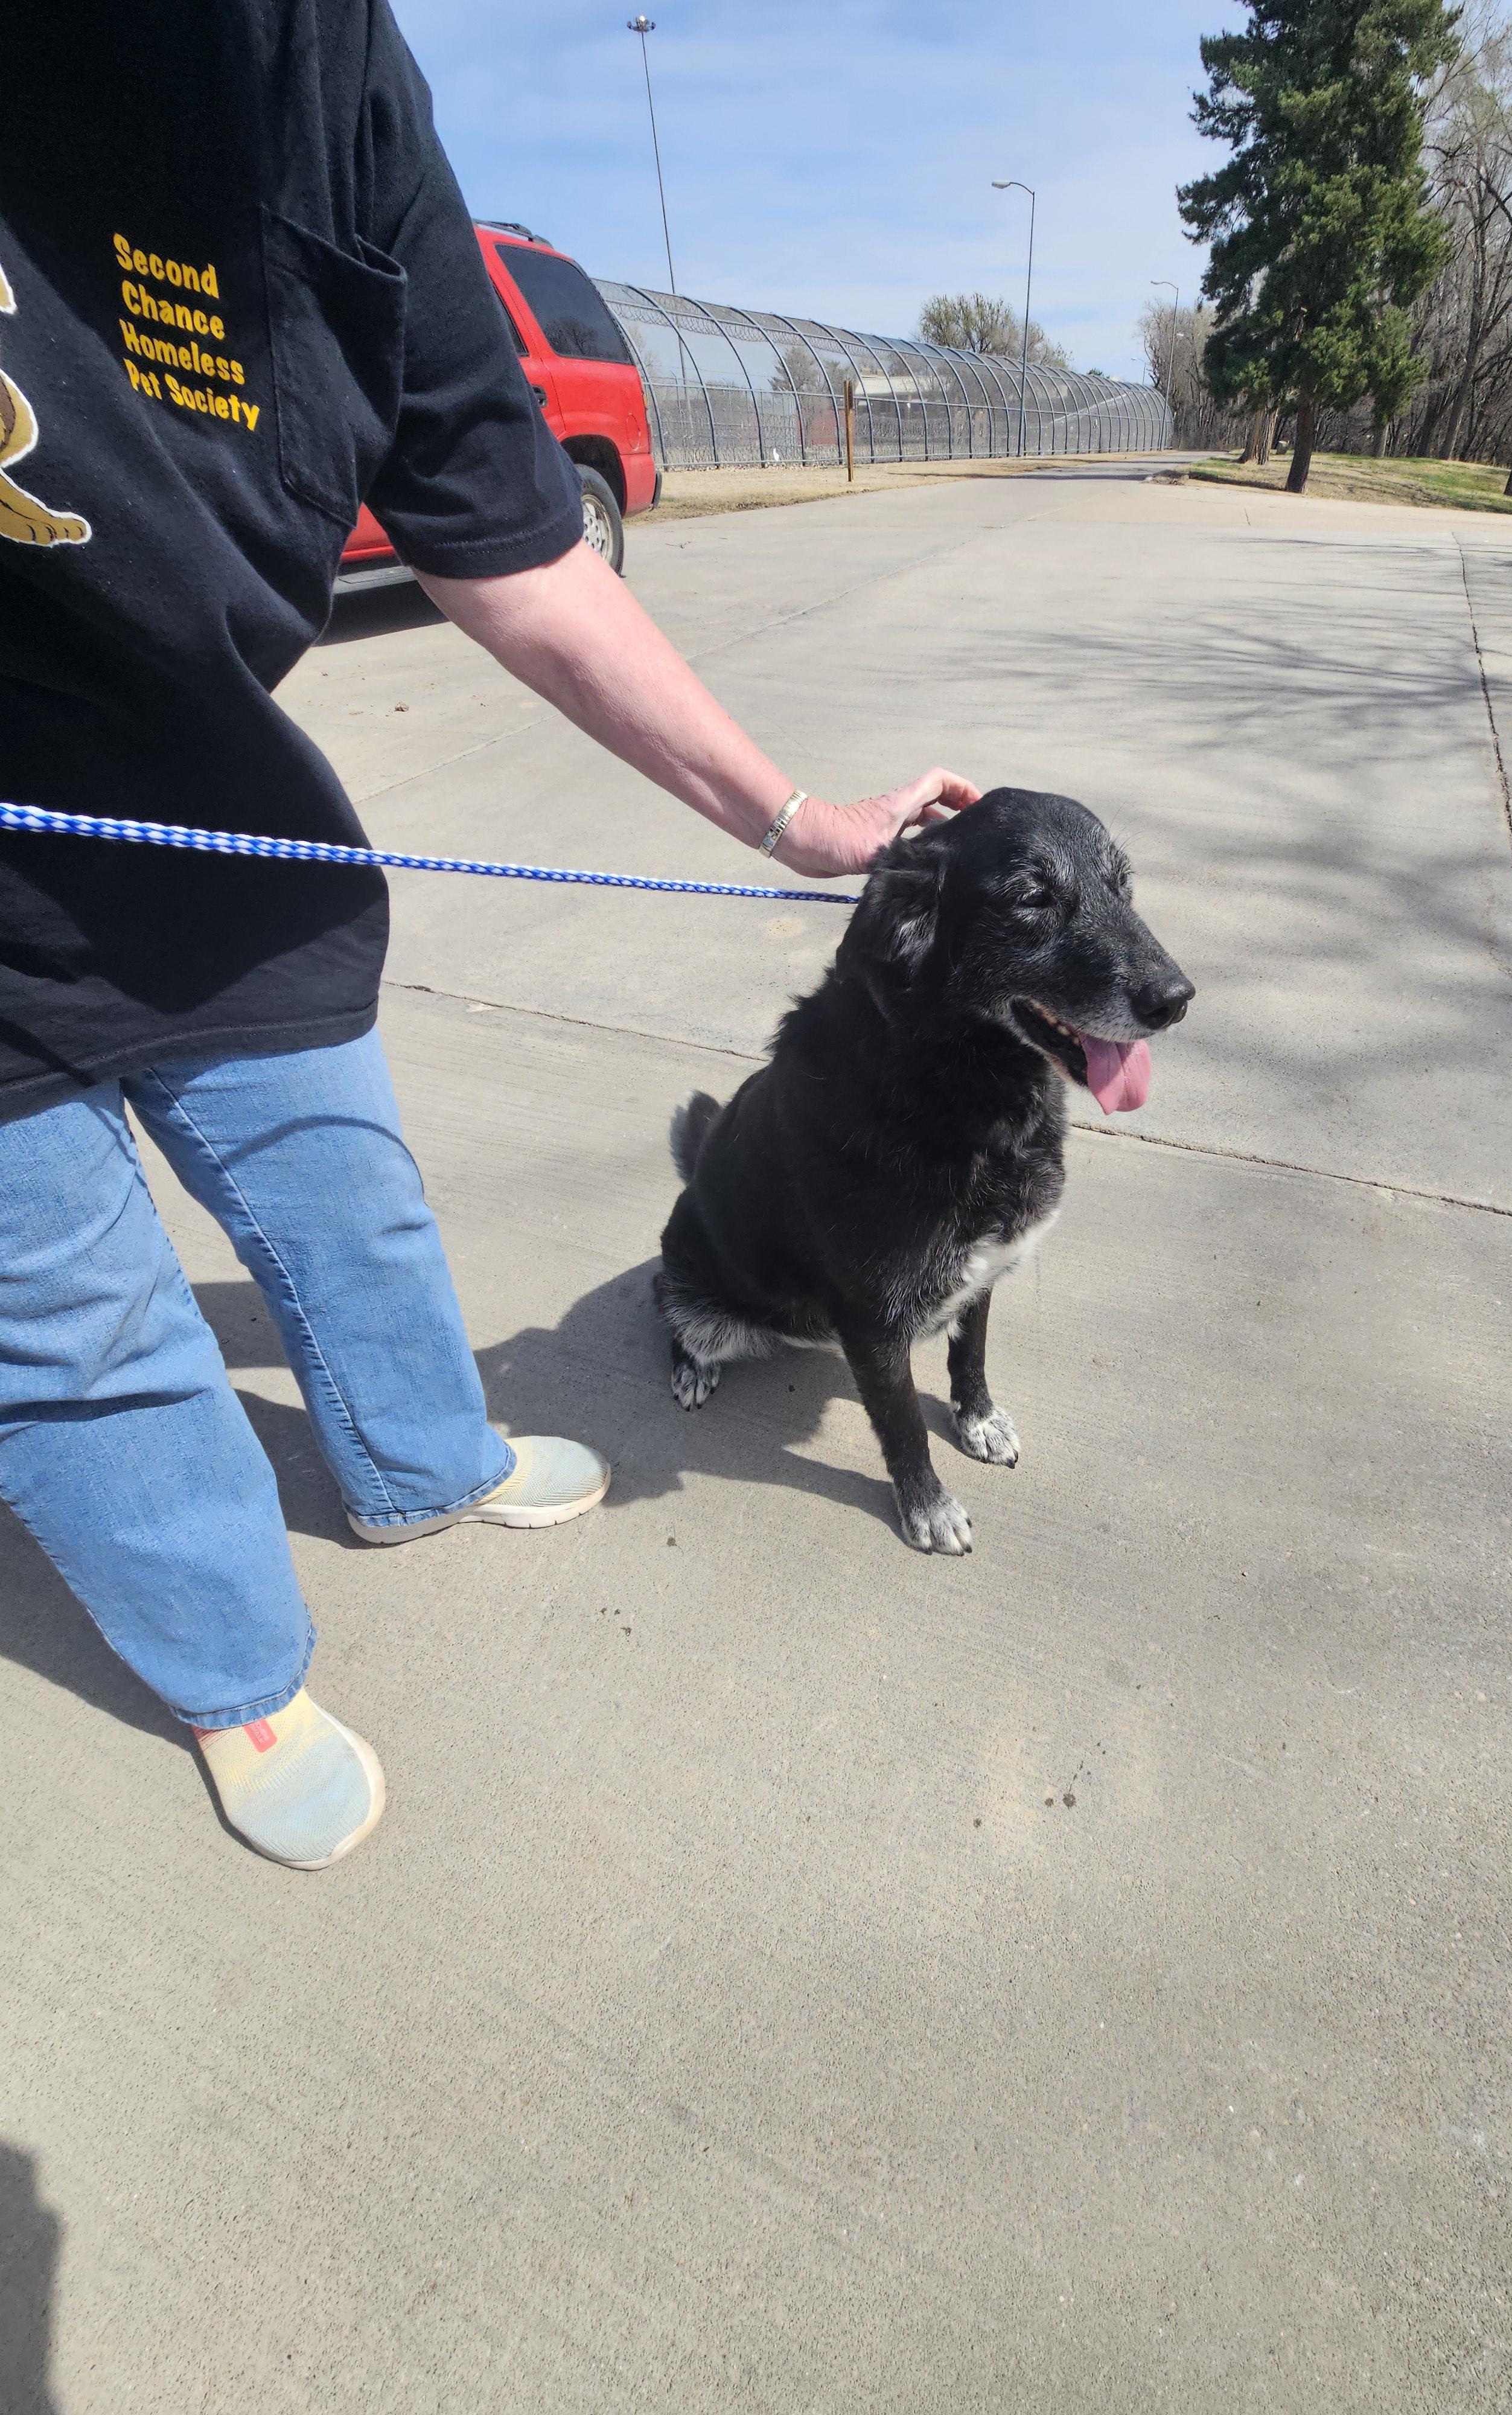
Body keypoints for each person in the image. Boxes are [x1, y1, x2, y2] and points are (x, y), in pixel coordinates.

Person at [0, 3, 978, 1869]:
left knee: (347, 1183)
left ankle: (419, 1464)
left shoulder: (339, 75)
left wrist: (791, 822)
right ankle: (234, 1667)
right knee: (82, 1331)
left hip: (210, 798)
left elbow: (516, 542)